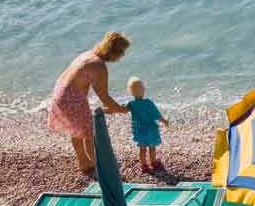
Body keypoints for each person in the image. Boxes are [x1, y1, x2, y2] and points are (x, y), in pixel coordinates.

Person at [46, 31, 131, 178]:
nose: (122, 56)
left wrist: (111, 107)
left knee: (77, 130)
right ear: (113, 52)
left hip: (60, 92)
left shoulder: (88, 54)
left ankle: (84, 162)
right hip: (72, 99)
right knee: (90, 135)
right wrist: (123, 109)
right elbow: (104, 98)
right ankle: (101, 168)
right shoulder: (99, 66)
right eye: (121, 52)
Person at [124, 77, 169, 173]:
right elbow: (156, 114)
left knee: (142, 149)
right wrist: (164, 120)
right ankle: (153, 162)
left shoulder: (131, 104)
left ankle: (143, 165)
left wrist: (111, 107)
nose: (143, 89)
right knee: (152, 148)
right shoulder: (148, 102)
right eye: (142, 88)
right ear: (143, 90)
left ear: (131, 92)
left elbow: (122, 110)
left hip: (139, 130)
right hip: (150, 130)